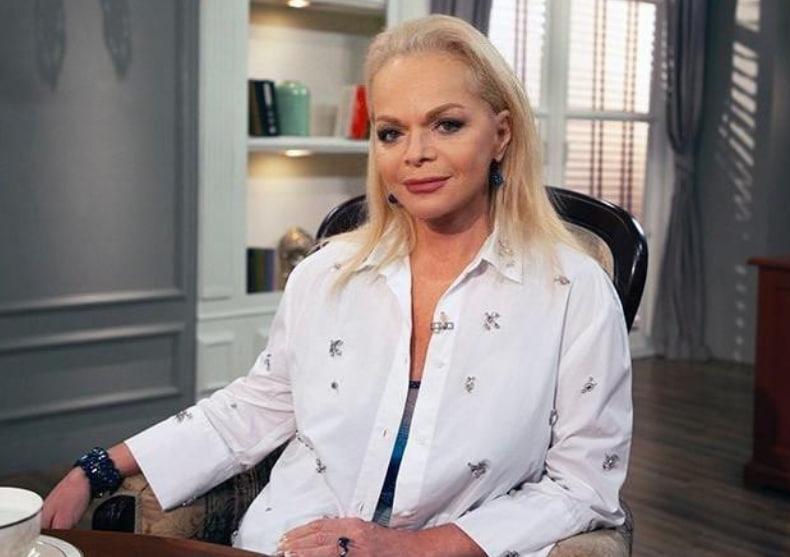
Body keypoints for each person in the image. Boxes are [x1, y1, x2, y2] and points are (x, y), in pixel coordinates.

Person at [42, 15, 632, 557]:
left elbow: (583, 486)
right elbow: (255, 406)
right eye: (391, 133)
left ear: (501, 134)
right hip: (283, 544)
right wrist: (96, 469)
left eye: (447, 124)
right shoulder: (326, 273)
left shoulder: (573, 291)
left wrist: (409, 548)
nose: (416, 154)